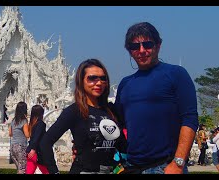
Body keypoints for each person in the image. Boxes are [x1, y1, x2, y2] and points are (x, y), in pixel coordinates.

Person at [114, 22, 199, 174]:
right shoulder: (125, 84)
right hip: (132, 167)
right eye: (135, 47)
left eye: (147, 44)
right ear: (129, 51)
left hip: (164, 166)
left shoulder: (176, 74)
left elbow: (190, 118)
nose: (141, 51)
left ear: (158, 45)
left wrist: (178, 162)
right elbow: (118, 124)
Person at [40, 59, 127, 174]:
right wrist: (54, 172)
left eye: (103, 78)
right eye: (92, 78)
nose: (99, 82)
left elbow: (122, 146)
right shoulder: (74, 111)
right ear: (81, 81)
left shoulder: (111, 110)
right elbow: (45, 142)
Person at [25, 105, 49, 174]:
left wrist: (31, 149)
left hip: (30, 151)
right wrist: (33, 149)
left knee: (29, 172)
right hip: (37, 152)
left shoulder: (32, 124)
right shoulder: (41, 124)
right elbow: (37, 137)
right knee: (46, 171)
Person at [8, 101, 30, 174]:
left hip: (13, 147)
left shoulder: (13, 120)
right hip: (20, 147)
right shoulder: (24, 120)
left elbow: (10, 133)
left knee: (19, 168)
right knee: (22, 169)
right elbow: (27, 135)